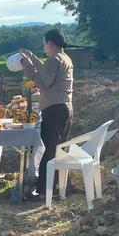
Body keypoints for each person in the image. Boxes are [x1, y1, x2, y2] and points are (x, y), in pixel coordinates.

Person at [19, 28, 73, 199]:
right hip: (65, 108)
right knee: (58, 148)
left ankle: (45, 190)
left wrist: (27, 67)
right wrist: (33, 59)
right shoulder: (64, 58)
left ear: (50, 43)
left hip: (54, 109)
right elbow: (47, 71)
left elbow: (43, 82)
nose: (44, 48)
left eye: (44, 44)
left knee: (49, 150)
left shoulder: (53, 60)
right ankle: (55, 187)